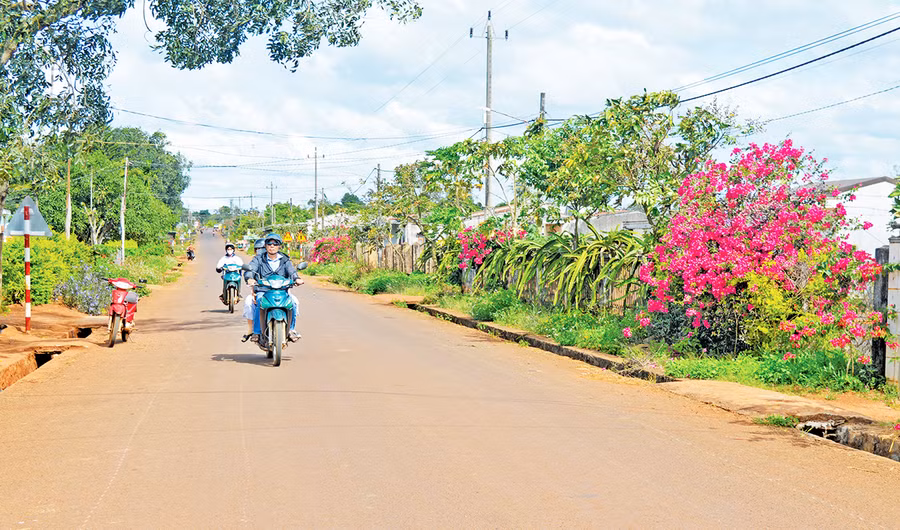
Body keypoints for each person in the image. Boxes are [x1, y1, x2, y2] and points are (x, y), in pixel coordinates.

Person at [243, 233, 304, 343]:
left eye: (275, 243)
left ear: (279, 246)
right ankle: (256, 332)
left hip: (282, 291)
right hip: (264, 290)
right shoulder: (259, 259)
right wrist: (250, 278)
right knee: (259, 301)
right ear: (265, 246)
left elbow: (292, 271)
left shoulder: (285, 259)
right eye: (269, 243)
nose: (272, 246)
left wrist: (297, 278)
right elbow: (250, 270)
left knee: (293, 302)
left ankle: (291, 329)